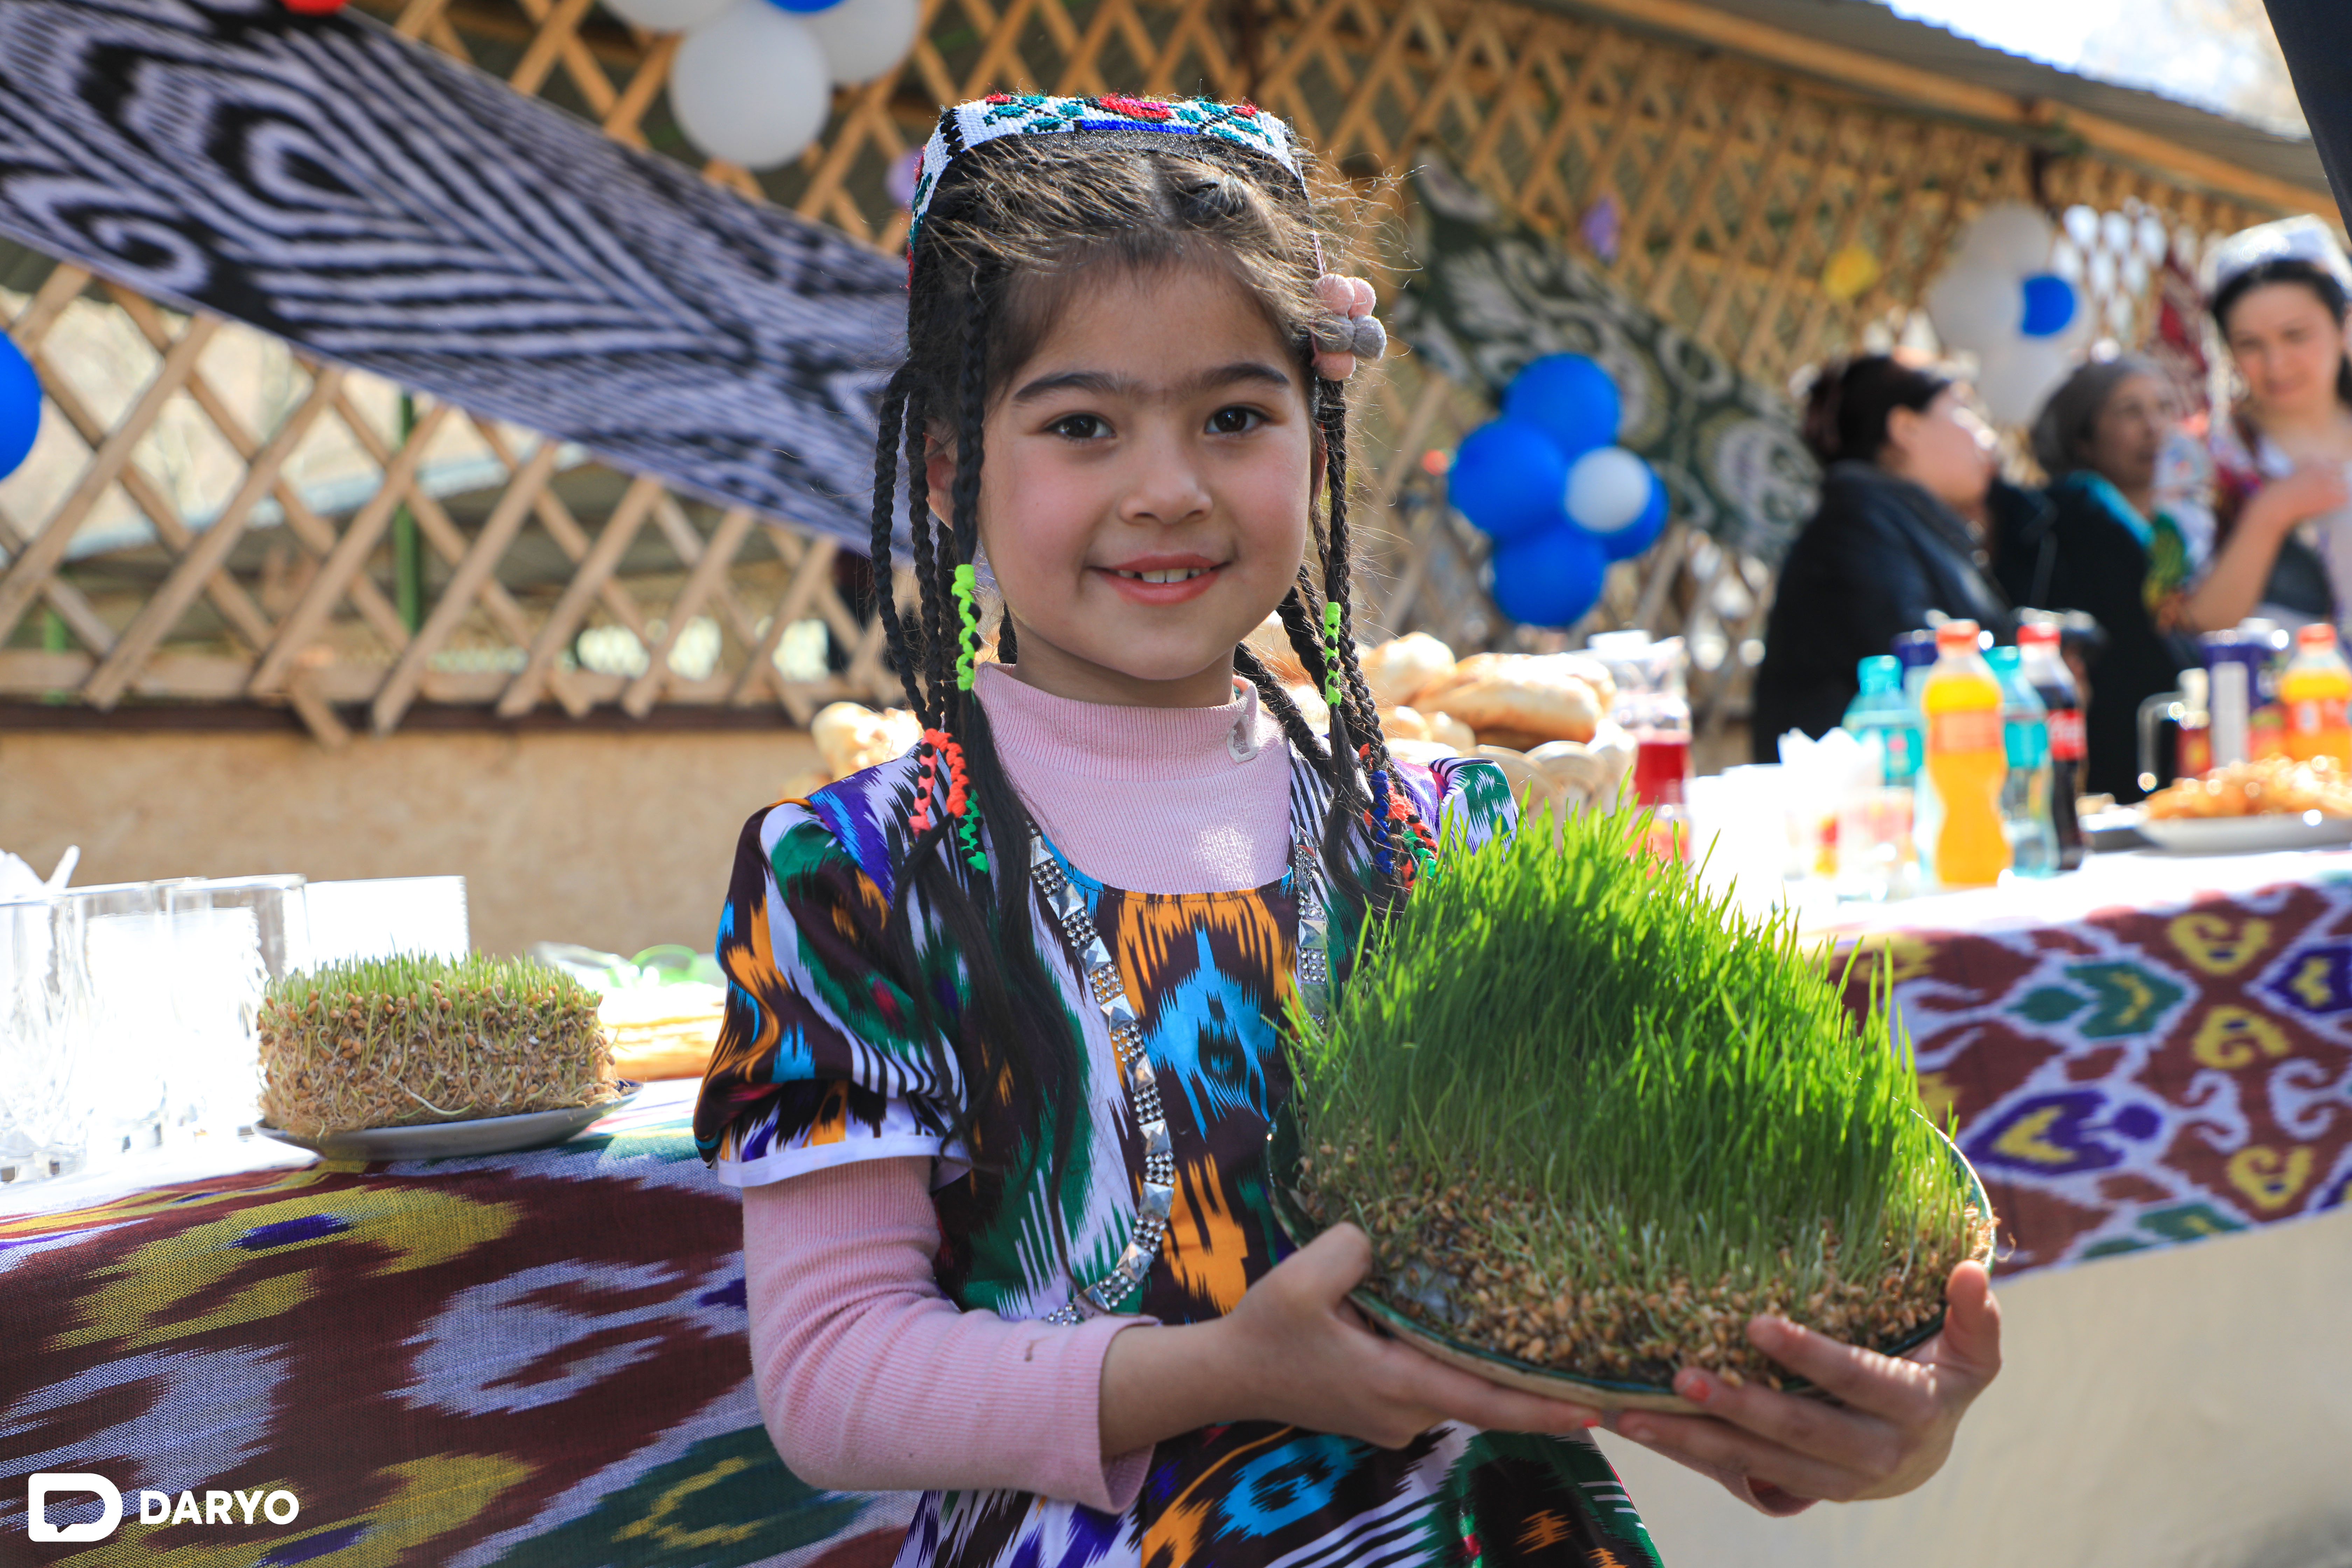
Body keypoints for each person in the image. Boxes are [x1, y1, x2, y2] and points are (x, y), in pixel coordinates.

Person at [694, 94, 2002, 1568]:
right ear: (945, 467)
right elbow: (830, 1377)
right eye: (1079, 423)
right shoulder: (859, 869)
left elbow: (1604, 1269)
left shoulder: (1444, 833)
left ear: (1314, 439)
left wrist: (1803, 1417)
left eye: (1233, 416)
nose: (1167, 485)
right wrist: (1225, 1366)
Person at [2002, 358, 2254, 799]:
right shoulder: (2074, 517)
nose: (2153, 427)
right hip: (2118, 757)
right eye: (2129, 412)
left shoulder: (2191, 521)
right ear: (2083, 436)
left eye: (2162, 408)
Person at [1752, 355, 2014, 758]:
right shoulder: (1855, 525)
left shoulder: (1908, 524)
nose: (1987, 438)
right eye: (1963, 411)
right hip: (1859, 806)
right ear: (1906, 428)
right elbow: (1920, 653)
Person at [2202, 217, 2352, 629]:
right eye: (2250, 344)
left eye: (2296, 335)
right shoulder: (2204, 454)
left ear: (2345, 324)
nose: (2276, 364)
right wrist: (2271, 513)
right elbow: (2194, 618)